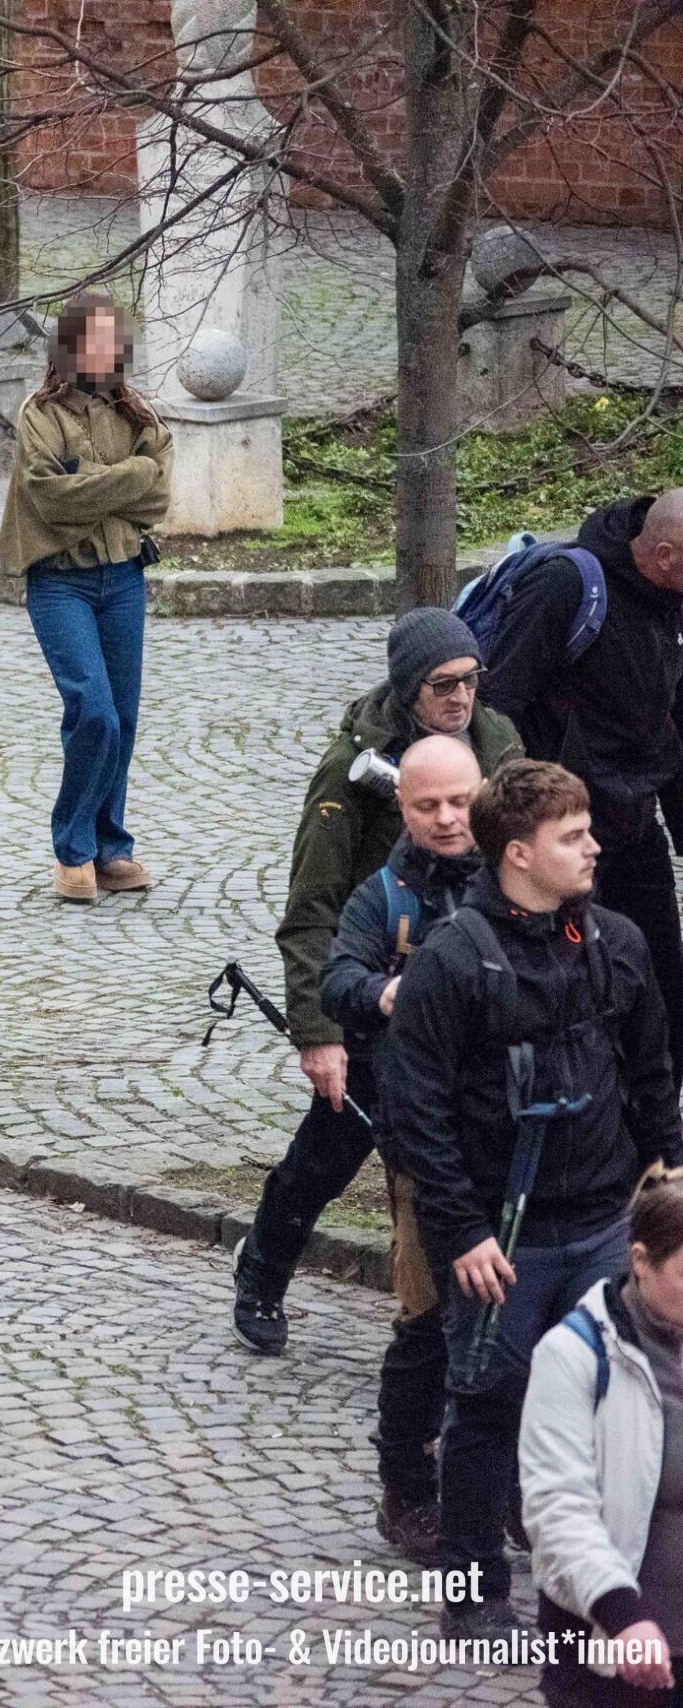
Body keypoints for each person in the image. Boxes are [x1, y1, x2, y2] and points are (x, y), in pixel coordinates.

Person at [383, 758, 683, 1636]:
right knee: (488, 1405)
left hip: (604, 1220)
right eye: (572, 836)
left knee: (615, 1400)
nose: (594, 848)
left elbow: (653, 1075)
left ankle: (601, 1582)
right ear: (518, 852)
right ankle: (473, 1589)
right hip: (500, 1237)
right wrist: (462, 1233)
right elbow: (415, 1115)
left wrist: (668, 1181)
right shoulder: (452, 961)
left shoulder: (618, 943)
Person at [237, 611, 523, 1354]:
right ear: (408, 688)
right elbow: (312, 911)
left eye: (470, 680)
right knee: (329, 1154)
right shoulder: (351, 770)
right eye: (442, 684)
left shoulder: (498, 742)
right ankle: (262, 1271)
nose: (461, 697)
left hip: (472, 991)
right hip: (373, 990)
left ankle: (450, 1322)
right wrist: (320, 1034)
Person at [302, 735, 490, 1564]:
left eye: (460, 802)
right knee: (428, 1318)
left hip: (512, 1139)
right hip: (420, 1143)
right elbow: (337, 980)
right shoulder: (384, 896)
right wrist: (388, 992)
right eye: (428, 806)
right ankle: (407, 1489)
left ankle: (508, 1486)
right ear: (404, 810)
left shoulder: (514, 877)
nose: (447, 819)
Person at [484, 490, 683, 1078]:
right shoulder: (565, 587)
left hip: (633, 825)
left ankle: (656, 1123)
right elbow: (498, 708)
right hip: (559, 834)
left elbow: (673, 722)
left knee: (663, 992)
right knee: (575, 991)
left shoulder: (672, 602)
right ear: (665, 556)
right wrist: (518, 829)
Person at [0, 295, 172, 905]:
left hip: (123, 577)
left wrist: (97, 485)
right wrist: (132, 476)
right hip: (59, 581)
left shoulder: (138, 413)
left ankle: (110, 846)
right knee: (92, 710)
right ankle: (72, 849)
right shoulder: (40, 414)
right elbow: (51, 498)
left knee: (122, 716)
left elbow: (158, 499)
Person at [525, 1171, 683, 1706]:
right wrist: (622, 1614)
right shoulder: (574, 1355)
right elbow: (557, 1508)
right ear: (640, 1261)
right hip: (606, 1647)